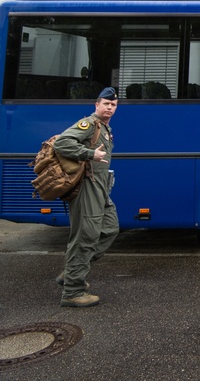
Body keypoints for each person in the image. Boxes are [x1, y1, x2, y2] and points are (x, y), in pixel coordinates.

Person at [53, 86, 120, 307]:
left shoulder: (105, 128)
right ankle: (73, 291)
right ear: (97, 105)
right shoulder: (89, 124)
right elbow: (62, 143)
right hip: (87, 187)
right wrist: (90, 154)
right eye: (106, 104)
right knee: (86, 236)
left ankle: (72, 272)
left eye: (113, 105)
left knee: (110, 228)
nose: (110, 108)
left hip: (101, 188)